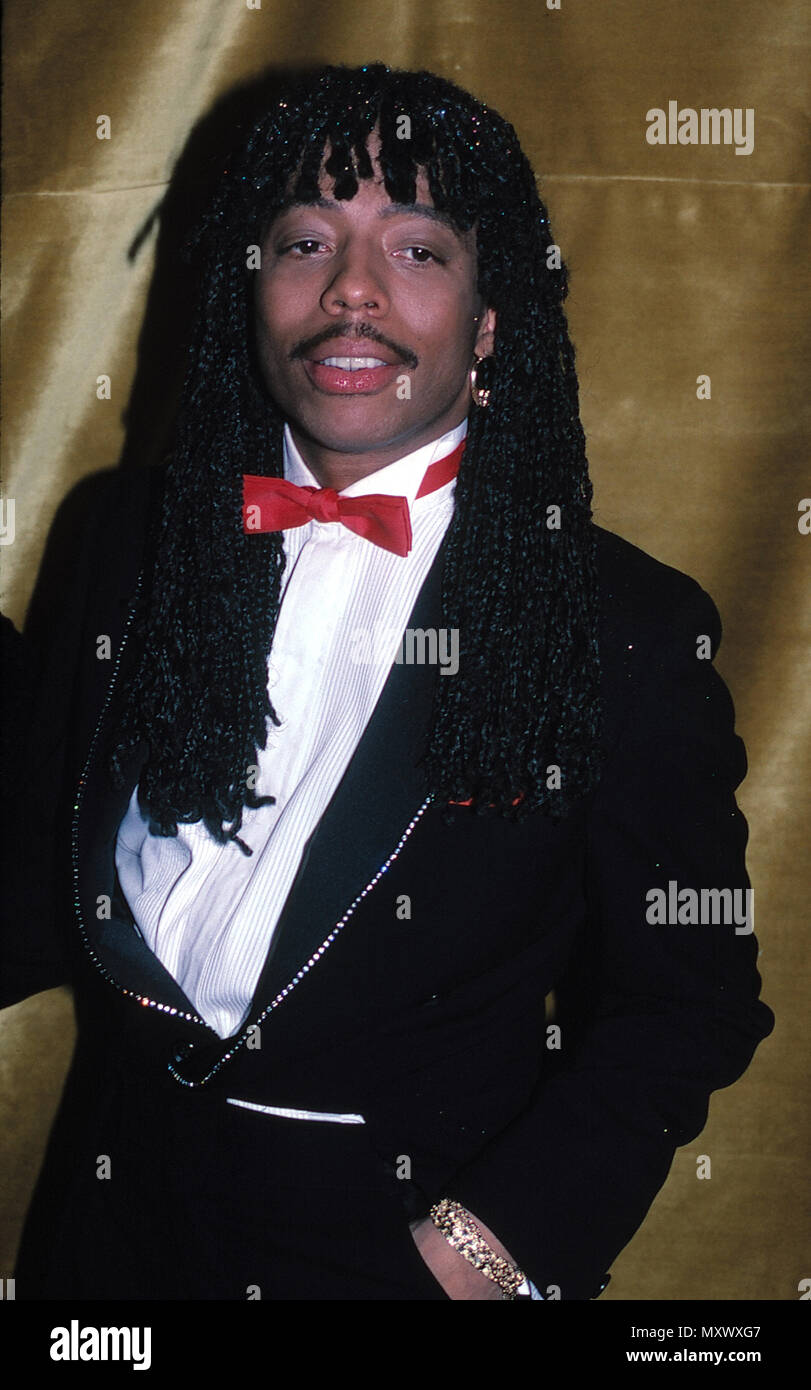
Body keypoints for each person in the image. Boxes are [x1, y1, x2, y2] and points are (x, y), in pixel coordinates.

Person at [4, 62, 773, 1301]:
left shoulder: (619, 625)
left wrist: (469, 1262)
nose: (350, 288)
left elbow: (685, 1007)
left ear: (487, 322)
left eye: (414, 248)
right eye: (308, 238)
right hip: (105, 1256)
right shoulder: (123, 542)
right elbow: (39, 879)